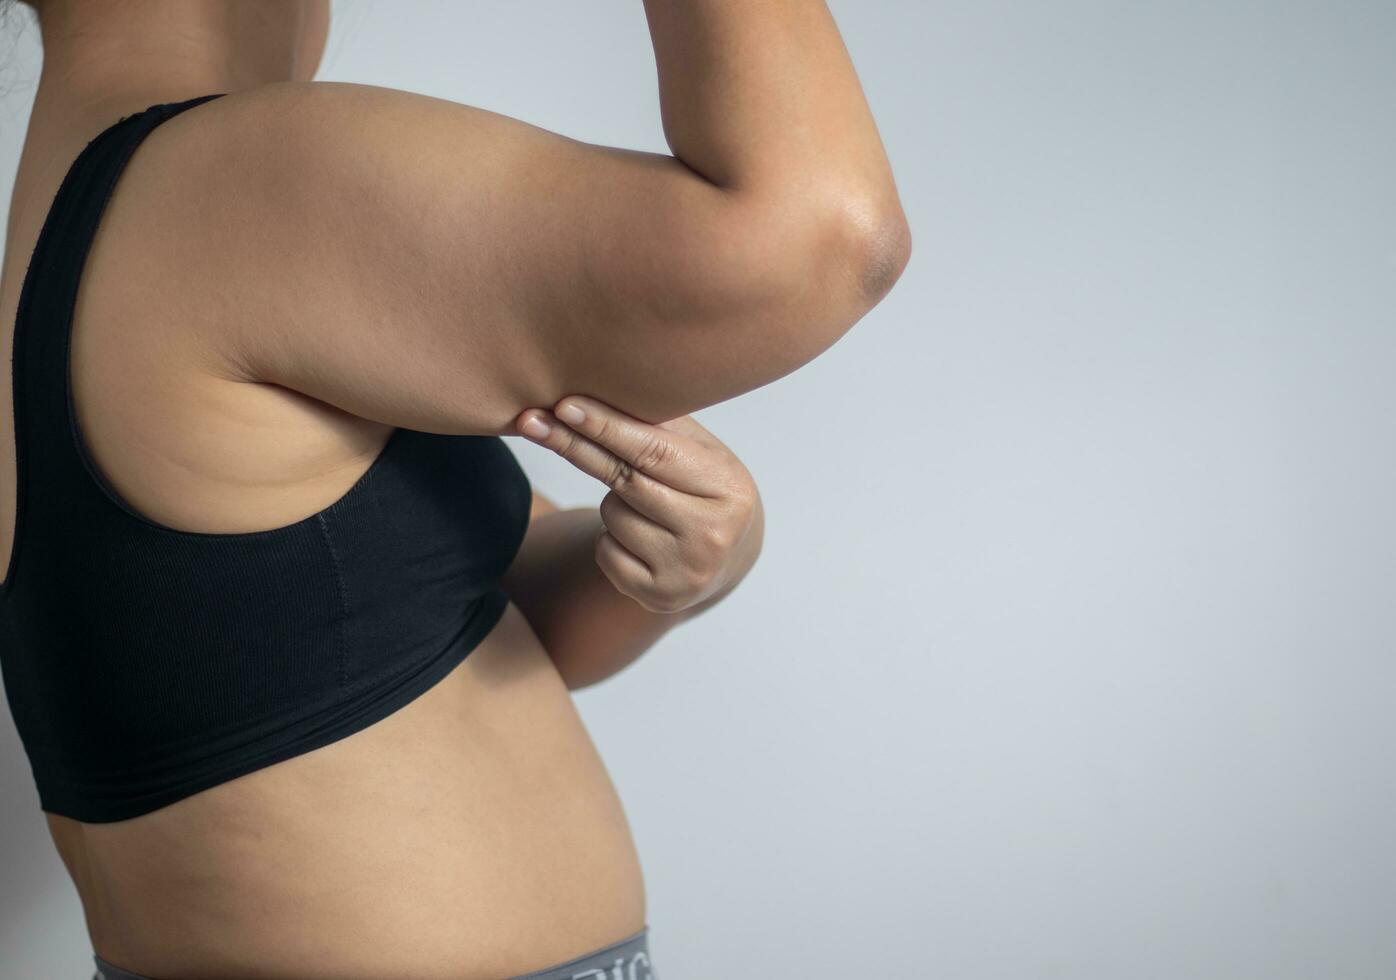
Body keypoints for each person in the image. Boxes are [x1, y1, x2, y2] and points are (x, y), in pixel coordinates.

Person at [0, 1, 910, 977]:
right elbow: (819, 236)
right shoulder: (213, 183)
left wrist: (671, 562)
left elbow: (414, 625)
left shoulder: (65, 220)